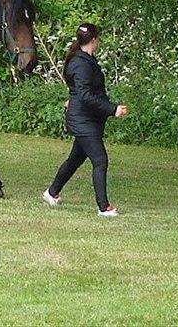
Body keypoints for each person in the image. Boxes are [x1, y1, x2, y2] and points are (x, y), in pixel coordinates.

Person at [42, 23, 127, 216]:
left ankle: (51, 193)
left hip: (88, 118)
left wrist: (75, 99)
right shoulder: (81, 63)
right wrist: (112, 109)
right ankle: (103, 207)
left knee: (75, 160)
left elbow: (80, 92)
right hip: (82, 121)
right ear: (94, 40)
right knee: (100, 160)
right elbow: (85, 94)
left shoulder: (86, 60)